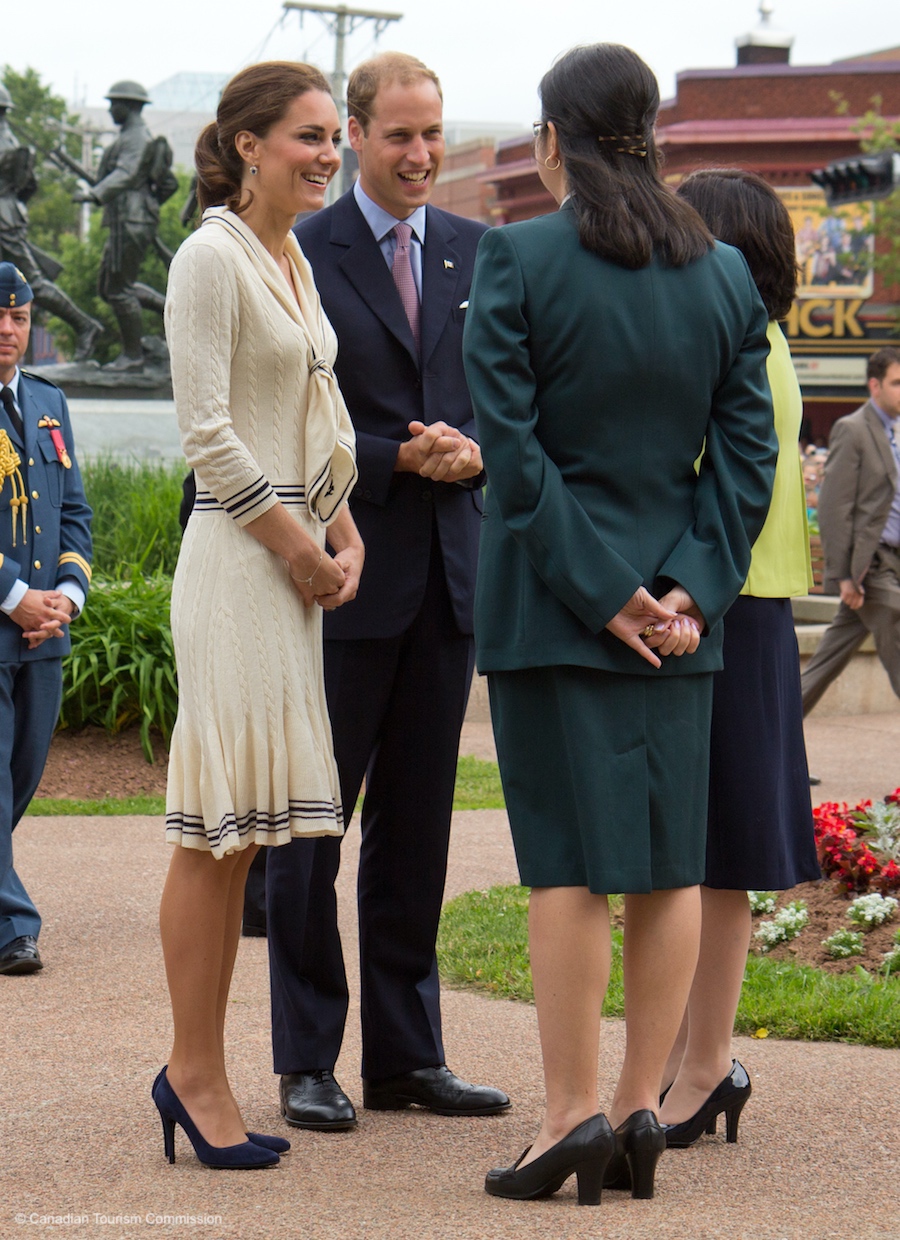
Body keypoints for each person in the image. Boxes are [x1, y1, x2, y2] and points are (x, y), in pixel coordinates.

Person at [462, 44, 777, 1205]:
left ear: (553, 139)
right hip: (686, 624)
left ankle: (568, 1118)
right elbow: (749, 454)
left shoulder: (518, 256)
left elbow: (515, 453)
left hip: (557, 611)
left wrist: (605, 592)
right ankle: (645, 1107)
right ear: (649, 132)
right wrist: (688, 584)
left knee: (570, 869)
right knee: (668, 864)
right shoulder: (725, 277)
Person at [265, 51, 509, 1130]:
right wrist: (393, 456)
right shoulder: (300, 253)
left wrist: (477, 450)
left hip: (448, 588)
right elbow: (278, 421)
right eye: (399, 134)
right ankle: (307, 1057)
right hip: (342, 578)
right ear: (355, 134)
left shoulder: (477, 252)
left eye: (433, 133)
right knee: (313, 830)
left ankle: (409, 1057)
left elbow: (510, 396)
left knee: (417, 835)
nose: (421, 154)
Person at [155, 61, 362, 1171]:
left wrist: (344, 526)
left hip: (289, 568)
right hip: (238, 569)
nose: (329, 152)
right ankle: (193, 1073)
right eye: (309, 136)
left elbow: (311, 406)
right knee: (212, 834)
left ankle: (200, 1069)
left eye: (334, 135)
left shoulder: (289, 258)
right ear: (247, 146)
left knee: (242, 848)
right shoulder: (210, 255)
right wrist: (298, 547)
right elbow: (209, 432)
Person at [657, 169, 821, 1148]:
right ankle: (692, 1056)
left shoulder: (740, 348)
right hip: (734, 607)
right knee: (700, 850)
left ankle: (707, 1060)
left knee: (715, 856)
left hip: (725, 607)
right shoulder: (760, 342)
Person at [0, 261, 92, 975]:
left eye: (21, 317)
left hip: (43, 635)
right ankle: (13, 926)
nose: (9, 330)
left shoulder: (49, 402)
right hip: (3, 619)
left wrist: (65, 595)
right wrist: (13, 594)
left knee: (22, 773)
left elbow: (74, 515)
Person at [800, 346, 900, 715]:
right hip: (869, 571)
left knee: (825, 664)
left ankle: (773, 758)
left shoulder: (894, 433)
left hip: (889, 565)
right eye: (897, 383)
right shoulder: (852, 429)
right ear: (874, 386)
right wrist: (843, 575)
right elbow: (833, 509)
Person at [73, 81, 175, 371]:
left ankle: (132, 357)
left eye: (114, 103)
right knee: (110, 287)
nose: (110, 109)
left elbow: (127, 173)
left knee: (119, 290)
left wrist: (94, 193)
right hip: (125, 218)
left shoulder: (136, 138)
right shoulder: (130, 136)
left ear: (129, 106)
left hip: (131, 218)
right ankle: (173, 310)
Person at [0, 88, 103, 361]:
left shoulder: (6, 145)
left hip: (3, 218)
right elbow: (29, 186)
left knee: (33, 281)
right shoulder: (14, 145)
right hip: (9, 214)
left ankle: (84, 326)